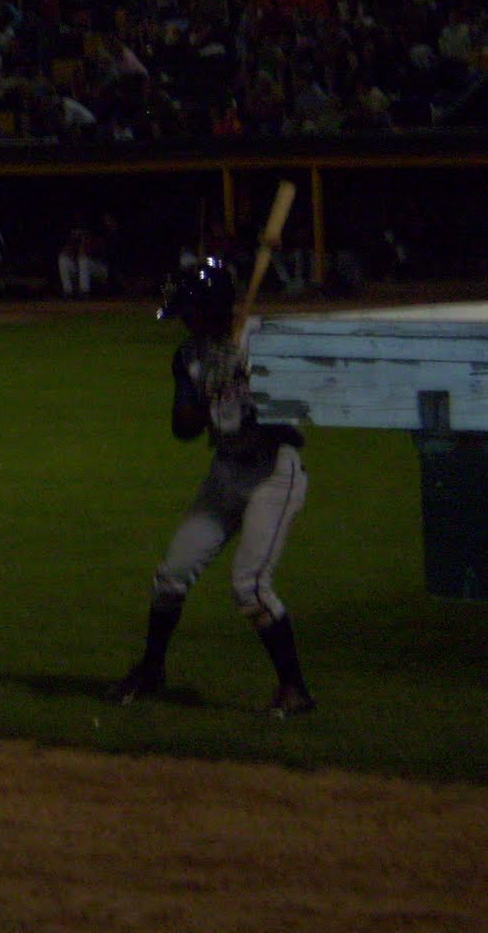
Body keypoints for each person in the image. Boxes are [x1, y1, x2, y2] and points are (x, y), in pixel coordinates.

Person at [107, 258, 316, 717]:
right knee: (170, 577)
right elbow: (182, 428)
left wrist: (252, 391)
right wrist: (210, 396)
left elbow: (293, 425)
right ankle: (152, 669)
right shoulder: (190, 356)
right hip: (224, 474)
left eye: (189, 310)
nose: (184, 319)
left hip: (272, 476)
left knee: (250, 587)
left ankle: (295, 690)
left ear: (212, 308)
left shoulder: (262, 346)